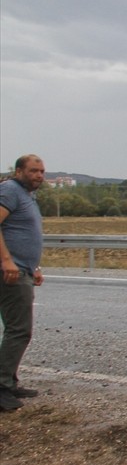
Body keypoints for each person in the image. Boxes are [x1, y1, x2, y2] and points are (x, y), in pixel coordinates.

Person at [0, 154, 46, 412]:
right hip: (10, 272)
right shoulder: (9, 191)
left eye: (41, 171)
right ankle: (2, 387)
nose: (39, 175)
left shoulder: (28, 195)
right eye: (33, 170)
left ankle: (9, 381)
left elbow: (24, 234)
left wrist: (35, 267)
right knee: (19, 330)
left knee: (17, 329)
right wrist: (7, 261)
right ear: (19, 171)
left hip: (23, 270)